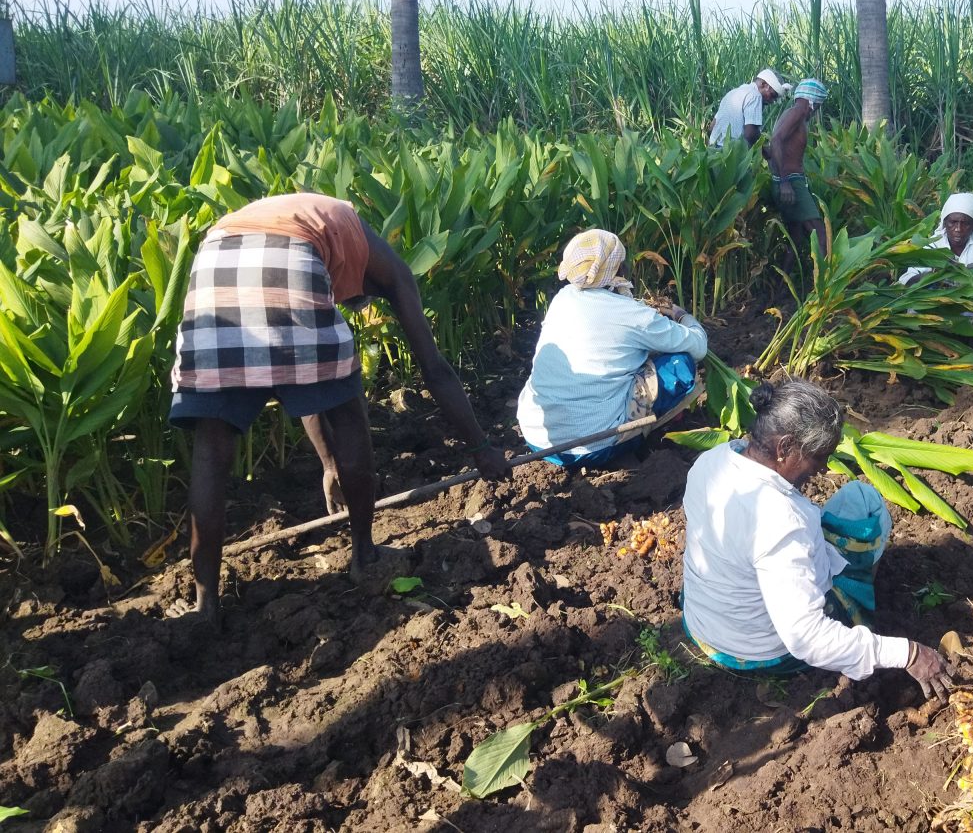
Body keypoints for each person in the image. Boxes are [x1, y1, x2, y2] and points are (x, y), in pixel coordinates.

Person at [170, 192, 510, 621]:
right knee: (350, 414)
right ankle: (365, 554)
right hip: (290, 256)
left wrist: (329, 464)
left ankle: (205, 604)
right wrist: (481, 447)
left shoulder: (316, 222)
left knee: (211, 449)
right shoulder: (387, 264)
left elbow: (307, 383)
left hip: (213, 268)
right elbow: (434, 368)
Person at [680, 380, 955, 700]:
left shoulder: (711, 461)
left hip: (703, 625)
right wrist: (908, 654)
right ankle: (859, 612)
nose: (823, 468)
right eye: (819, 456)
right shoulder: (782, 522)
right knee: (864, 500)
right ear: (784, 448)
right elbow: (807, 638)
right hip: (764, 653)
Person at [517, 229, 707, 468]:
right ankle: (652, 434)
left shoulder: (562, 298)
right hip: (594, 446)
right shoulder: (632, 314)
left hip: (538, 439)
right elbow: (698, 346)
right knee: (680, 363)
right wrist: (681, 315)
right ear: (617, 268)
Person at [765, 78, 829, 256]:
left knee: (796, 237)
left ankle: (784, 276)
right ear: (812, 102)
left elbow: (773, 148)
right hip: (792, 183)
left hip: (786, 182)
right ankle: (828, 274)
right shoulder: (799, 112)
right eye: (817, 107)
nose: (815, 112)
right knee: (821, 236)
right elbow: (776, 140)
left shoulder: (789, 114)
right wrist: (785, 182)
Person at [897, 192, 973, 284]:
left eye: (965, 223)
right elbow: (905, 281)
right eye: (953, 222)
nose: (958, 229)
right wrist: (935, 275)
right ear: (944, 223)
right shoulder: (933, 245)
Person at [709, 69, 789, 148]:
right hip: (731, 152)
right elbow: (750, 134)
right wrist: (764, 150)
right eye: (772, 95)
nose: (771, 101)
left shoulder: (732, 93)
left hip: (712, 149)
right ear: (764, 84)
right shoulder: (755, 96)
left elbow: (712, 126)